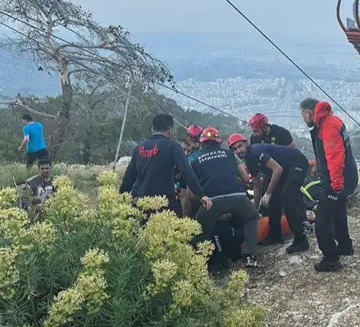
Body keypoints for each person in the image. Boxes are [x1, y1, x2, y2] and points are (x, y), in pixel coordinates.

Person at [299, 98, 358, 272]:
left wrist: (336, 185)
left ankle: (331, 259)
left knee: (322, 219)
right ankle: (345, 246)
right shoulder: (329, 120)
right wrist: (319, 164)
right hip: (344, 175)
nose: (303, 118)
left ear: (309, 113)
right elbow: (328, 151)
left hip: (337, 179)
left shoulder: (327, 126)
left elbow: (336, 157)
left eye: (302, 114)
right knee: (338, 212)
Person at [228, 133, 310, 254]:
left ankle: (301, 239)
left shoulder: (256, 151)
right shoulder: (249, 162)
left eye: (240, 146)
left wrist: (268, 193)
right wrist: (255, 209)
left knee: (287, 197)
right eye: (234, 149)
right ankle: (275, 235)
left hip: (297, 162)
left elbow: (277, 169)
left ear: (246, 143)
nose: (238, 150)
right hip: (285, 168)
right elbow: (257, 185)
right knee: (274, 201)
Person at [190, 127, 260, 268]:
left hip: (212, 200)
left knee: (198, 228)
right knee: (251, 217)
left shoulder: (195, 160)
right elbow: (246, 178)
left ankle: (202, 263)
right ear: (219, 140)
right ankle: (250, 255)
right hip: (238, 196)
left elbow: (192, 193)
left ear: (202, 143)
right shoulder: (229, 154)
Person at [118, 114, 210, 217]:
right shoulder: (173, 146)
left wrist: (121, 198)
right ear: (170, 130)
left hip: (141, 203)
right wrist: (201, 195)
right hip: (165, 203)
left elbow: (128, 178)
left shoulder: (139, 148)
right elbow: (186, 171)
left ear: (152, 129)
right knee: (177, 230)